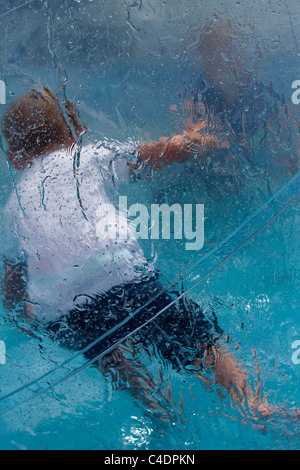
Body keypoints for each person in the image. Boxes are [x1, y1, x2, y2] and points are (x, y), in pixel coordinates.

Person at [0, 86, 290, 423]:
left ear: (15, 158)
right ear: (72, 134)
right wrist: (197, 140)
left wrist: (28, 314)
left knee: (111, 357)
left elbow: (11, 284)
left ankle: (156, 408)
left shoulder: (11, 209)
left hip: (66, 311)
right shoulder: (88, 157)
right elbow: (158, 153)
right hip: (125, 281)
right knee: (197, 340)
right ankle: (255, 406)